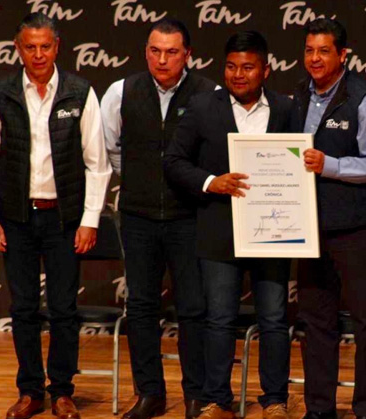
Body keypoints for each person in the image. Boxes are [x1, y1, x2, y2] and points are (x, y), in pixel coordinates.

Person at [0, 12, 111, 419]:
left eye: (45, 46)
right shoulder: (1, 93)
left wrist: (89, 220)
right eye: (30, 47)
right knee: (24, 309)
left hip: (64, 219)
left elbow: (97, 163)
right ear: (18, 49)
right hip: (16, 217)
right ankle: (30, 391)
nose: (38, 54)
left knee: (64, 309)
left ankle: (63, 392)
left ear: (57, 47)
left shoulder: (80, 92)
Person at [164, 30, 293, 419]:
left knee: (274, 320)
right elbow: (174, 161)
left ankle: (275, 400)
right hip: (219, 230)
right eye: (232, 66)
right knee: (219, 320)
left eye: (248, 67)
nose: (239, 74)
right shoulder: (203, 106)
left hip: (274, 232)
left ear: (265, 70)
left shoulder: (287, 109)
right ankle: (217, 400)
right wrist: (210, 182)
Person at [100, 18, 217, 419]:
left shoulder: (209, 94)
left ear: (188, 55)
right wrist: (141, 179)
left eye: (171, 52)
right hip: (138, 216)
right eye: (155, 51)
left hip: (190, 216)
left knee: (193, 308)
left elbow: (214, 155)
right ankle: (150, 393)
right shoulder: (121, 91)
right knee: (141, 307)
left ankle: (196, 395)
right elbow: (110, 150)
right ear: (145, 52)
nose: (162, 60)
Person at [292, 18, 366, 419]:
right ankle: (319, 410)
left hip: (357, 229)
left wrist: (330, 165)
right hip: (310, 228)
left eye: (324, 51)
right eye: (309, 51)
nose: (315, 59)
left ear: (343, 55)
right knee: (316, 322)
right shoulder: (299, 96)